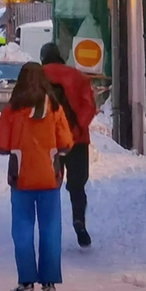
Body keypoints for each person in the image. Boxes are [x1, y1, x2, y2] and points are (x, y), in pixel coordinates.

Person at [0, 62, 73, 291]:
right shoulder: (55, 108)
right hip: (51, 177)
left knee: (22, 230)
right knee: (50, 229)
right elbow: (66, 142)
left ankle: (26, 283)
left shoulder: (13, 109)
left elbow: (1, 144)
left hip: (21, 178)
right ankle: (49, 283)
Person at [40, 42, 97, 247]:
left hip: (47, 142)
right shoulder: (77, 77)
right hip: (76, 140)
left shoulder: (36, 78)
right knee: (77, 184)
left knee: (48, 185)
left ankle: (49, 229)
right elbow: (89, 106)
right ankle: (79, 220)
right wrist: (77, 128)